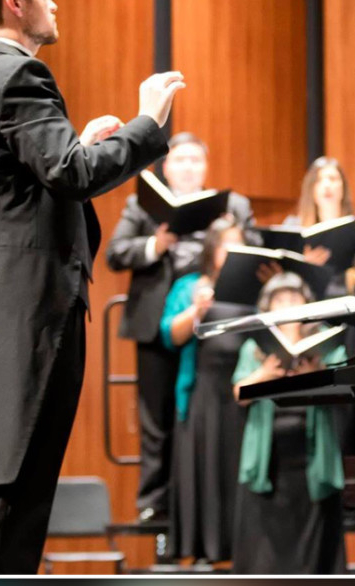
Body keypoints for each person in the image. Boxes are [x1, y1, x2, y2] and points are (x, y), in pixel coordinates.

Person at [0, 0, 185, 574]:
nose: (54, 3)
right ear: (15, 3)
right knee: (10, 496)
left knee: (6, 493)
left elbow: (16, 186)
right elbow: (72, 176)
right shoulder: (20, 76)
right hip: (26, 311)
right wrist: (147, 123)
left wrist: (76, 145)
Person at [105, 132, 255, 523]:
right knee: (156, 417)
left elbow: (254, 250)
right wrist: (156, 244)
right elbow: (116, 254)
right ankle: (156, 504)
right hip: (158, 324)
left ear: (206, 166)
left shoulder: (231, 205)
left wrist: (228, 235)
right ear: (165, 167)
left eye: (195, 160)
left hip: (217, 325)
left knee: (205, 413)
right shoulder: (142, 205)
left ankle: (208, 504)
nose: (188, 167)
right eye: (180, 160)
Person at [231, 273, 348, 574]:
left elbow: (345, 388)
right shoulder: (255, 348)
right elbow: (239, 394)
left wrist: (316, 373)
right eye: (279, 299)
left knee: (313, 550)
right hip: (269, 458)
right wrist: (265, 374)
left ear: (306, 304)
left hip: (312, 458)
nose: (286, 305)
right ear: (267, 307)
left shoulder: (324, 341)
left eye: (294, 298)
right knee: (266, 551)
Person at [158, 217, 247, 563]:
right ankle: (204, 550)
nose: (233, 252)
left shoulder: (252, 287)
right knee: (206, 468)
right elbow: (169, 335)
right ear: (212, 249)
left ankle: (242, 547)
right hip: (205, 392)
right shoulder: (191, 285)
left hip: (243, 390)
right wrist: (197, 309)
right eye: (227, 244)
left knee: (239, 468)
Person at [284, 156, 355, 299]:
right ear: (311, 188)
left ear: (343, 187)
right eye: (319, 180)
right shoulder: (293, 226)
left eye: (333, 178)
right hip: (306, 299)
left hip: (345, 297)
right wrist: (303, 266)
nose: (326, 185)